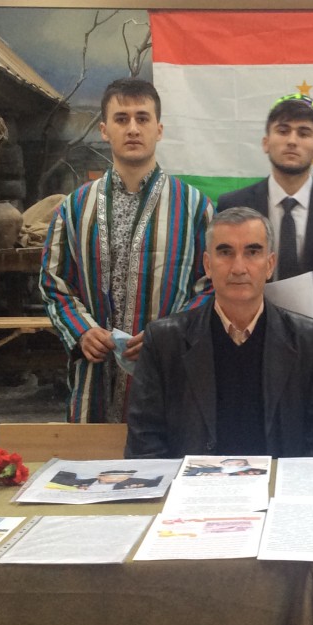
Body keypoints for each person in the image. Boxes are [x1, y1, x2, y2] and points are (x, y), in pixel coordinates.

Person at [40, 77, 213, 423]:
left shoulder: (195, 208)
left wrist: (168, 334)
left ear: (159, 129)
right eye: (121, 119)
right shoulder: (74, 208)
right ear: (105, 130)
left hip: (169, 374)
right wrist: (82, 331)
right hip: (95, 376)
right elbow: (53, 282)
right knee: (94, 457)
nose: (133, 128)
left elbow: (212, 287)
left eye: (142, 118)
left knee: (166, 451)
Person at [126, 207, 313, 458]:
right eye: (225, 252)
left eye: (252, 252)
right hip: (191, 482)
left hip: (280, 482)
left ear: (270, 265)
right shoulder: (164, 341)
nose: (239, 267)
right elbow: (144, 445)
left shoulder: (312, 341)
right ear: (208, 265)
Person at [216, 93, 313, 368]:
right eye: (283, 131)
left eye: (303, 133)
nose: (292, 140)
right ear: (266, 142)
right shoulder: (233, 205)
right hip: (248, 346)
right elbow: (220, 277)